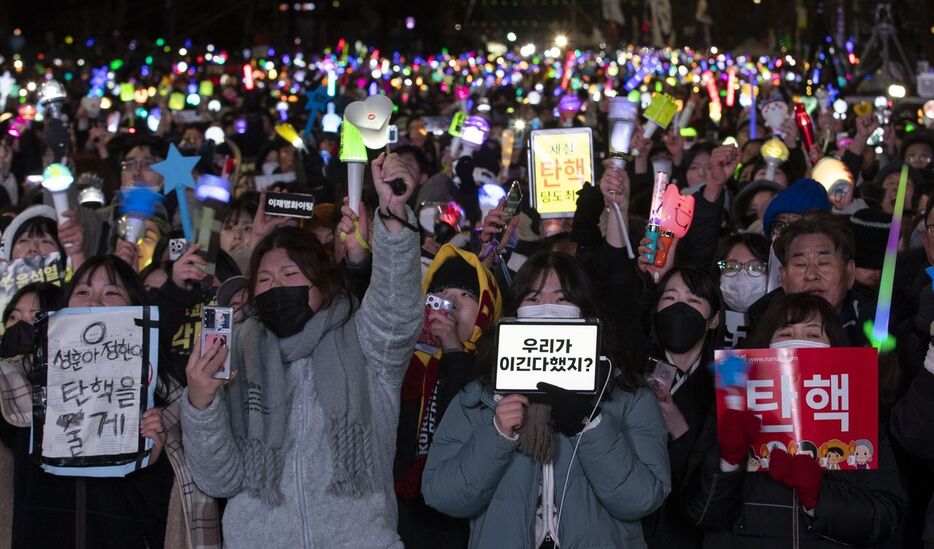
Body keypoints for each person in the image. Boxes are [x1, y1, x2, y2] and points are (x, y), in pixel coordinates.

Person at [181, 152, 423, 548]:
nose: (277, 286)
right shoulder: (235, 353)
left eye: (291, 275)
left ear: (323, 283)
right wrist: (201, 404)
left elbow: (397, 307)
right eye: (265, 279)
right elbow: (217, 480)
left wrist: (393, 215)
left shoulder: (366, 345)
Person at [421, 251, 671, 548]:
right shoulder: (480, 396)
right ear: (513, 314)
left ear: (587, 311)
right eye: (534, 299)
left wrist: (589, 427)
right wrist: (497, 434)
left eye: (563, 298)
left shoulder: (626, 395)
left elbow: (642, 500)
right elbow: (441, 495)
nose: (548, 309)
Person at [689, 293, 906, 548]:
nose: (798, 343)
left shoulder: (858, 414)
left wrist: (818, 497)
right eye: (785, 334)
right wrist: (726, 462)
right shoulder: (735, 405)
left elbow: (887, 514)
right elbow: (700, 514)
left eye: (814, 335)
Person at [1, 257, 173, 549]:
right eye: (82, 292)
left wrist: (151, 463)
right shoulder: (19, 392)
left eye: (111, 292)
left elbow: (160, 518)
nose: (95, 302)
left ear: (136, 307)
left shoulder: (162, 398)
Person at [395, 244, 501, 549]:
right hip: (404, 520)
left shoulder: (496, 368)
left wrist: (454, 351)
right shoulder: (408, 361)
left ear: (485, 306)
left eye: (465, 294)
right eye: (440, 291)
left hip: (462, 528)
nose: (449, 302)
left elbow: (462, 431)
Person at [748, 210, 873, 346]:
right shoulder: (759, 323)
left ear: (849, 273)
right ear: (783, 277)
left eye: (824, 263)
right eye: (800, 264)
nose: (811, 275)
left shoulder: (877, 329)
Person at [716, 233, 770, 348]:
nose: (742, 275)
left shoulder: (783, 321)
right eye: (731, 267)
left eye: (755, 267)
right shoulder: (707, 317)